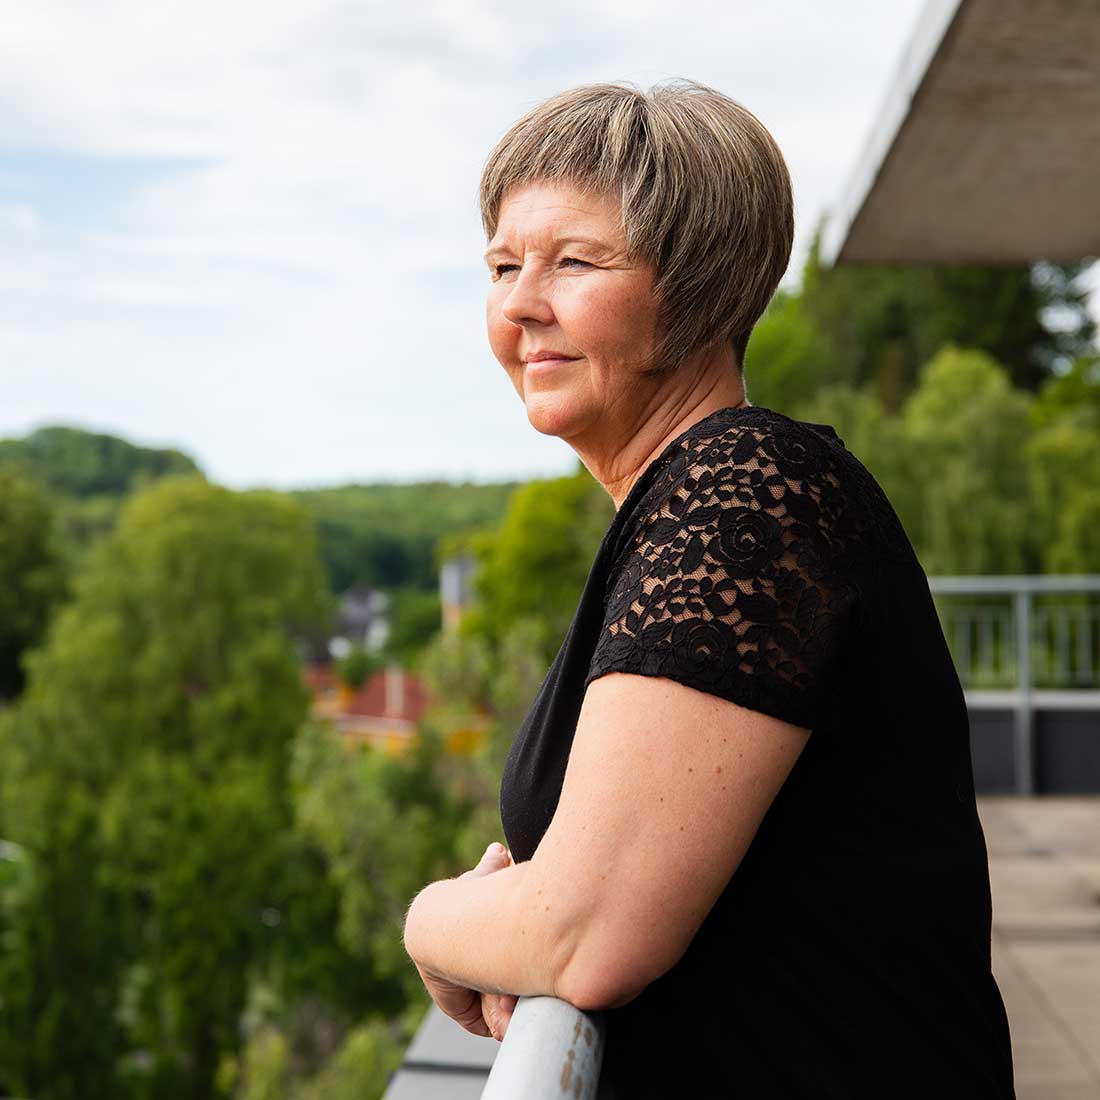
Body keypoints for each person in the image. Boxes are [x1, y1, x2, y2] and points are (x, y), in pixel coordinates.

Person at [402, 79, 1017, 1098]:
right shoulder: (687, 505)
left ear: (697, 286)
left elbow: (585, 931)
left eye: (573, 262)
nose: (518, 302)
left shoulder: (743, 495)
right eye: (504, 265)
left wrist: (431, 921)